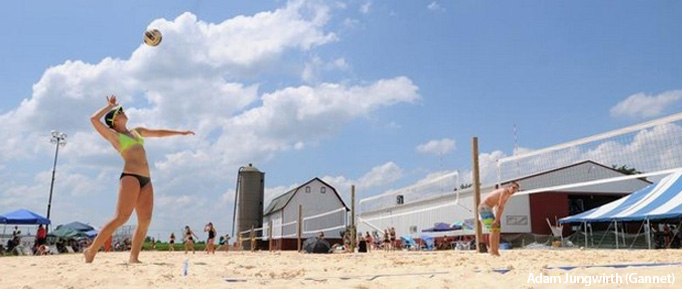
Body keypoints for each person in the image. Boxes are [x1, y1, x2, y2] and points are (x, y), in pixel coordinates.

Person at [83, 95, 195, 263]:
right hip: (130, 177)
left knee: (145, 221)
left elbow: (157, 133)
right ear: (114, 121)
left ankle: (134, 257)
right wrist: (109, 106)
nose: (123, 112)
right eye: (119, 112)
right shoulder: (115, 136)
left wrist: (180, 133)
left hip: (146, 179)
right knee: (121, 218)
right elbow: (93, 119)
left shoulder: (137, 132)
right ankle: (91, 251)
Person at [479, 182, 519, 256]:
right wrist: (496, 220)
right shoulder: (504, 191)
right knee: (493, 229)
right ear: (509, 187)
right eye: (513, 188)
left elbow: (499, 206)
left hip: (487, 208)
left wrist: (497, 220)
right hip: (484, 208)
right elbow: (500, 207)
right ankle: (492, 251)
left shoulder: (507, 194)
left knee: (497, 229)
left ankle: (495, 251)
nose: (514, 190)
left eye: (516, 189)